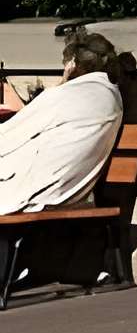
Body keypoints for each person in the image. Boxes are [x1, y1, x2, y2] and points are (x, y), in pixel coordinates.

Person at [0, 35, 124, 217]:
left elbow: (6, 138)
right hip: (65, 195)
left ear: (71, 64)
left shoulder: (65, 96)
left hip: (28, 195)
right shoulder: (111, 98)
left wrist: (62, 83)